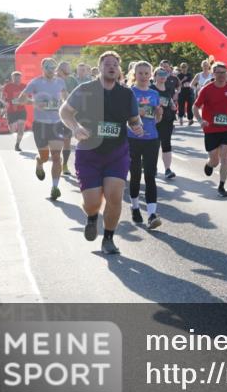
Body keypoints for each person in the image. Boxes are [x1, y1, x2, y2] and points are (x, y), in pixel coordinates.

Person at [60, 51, 143, 255]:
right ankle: (91, 218)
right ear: (100, 67)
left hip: (117, 152)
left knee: (114, 198)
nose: (112, 67)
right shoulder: (85, 89)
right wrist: (75, 127)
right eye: (107, 64)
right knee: (93, 202)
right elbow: (65, 112)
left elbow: (134, 120)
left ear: (119, 69)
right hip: (89, 153)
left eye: (115, 64)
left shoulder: (126, 94)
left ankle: (108, 239)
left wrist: (137, 127)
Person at [18, 58, 69, 200]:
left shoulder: (60, 82)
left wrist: (65, 105)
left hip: (57, 123)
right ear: (42, 68)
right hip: (40, 124)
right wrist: (34, 103)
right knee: (45, 157)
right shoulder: (35, 82)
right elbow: (21, 99)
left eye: (53, 67)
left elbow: (66, 98)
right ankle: (39, 162)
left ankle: (55, 187)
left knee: (57, 156)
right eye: (48, 67)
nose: (51, 69)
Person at [193, 62, 227, 197]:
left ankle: (222, 186)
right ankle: (209, 164)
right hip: (211, 129)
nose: (221, 75)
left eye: (224, 73)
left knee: (225, 157)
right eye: (218, 73)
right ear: (213, 74)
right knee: (215, 160)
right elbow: (195, 107)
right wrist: (201, 121)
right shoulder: (206, 90)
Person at [127, 62, 163, 229]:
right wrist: (136, 112)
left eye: (146, 73)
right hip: (133, 138)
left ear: (150, 75)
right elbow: (122, 115)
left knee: (150, 175)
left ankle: (152, 214)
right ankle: (134, 206)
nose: (143, 76)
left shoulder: (154, 94)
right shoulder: (129, 92)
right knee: (135, 175)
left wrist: (159, 114)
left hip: (151, 138)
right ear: (135, 74)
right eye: (140, 73)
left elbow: (157, 119)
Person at [153, 62, 180, 179]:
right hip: (153, 121)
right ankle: (152, 167)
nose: (163, 76)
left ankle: (167, 169)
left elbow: (169, 99)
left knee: (166, 143)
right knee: (154, 145)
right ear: (155, 76)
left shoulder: (169, 88)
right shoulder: (151, 89)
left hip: (167, 119)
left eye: (164, 74)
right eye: (160, 74)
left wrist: (173, 105)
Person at [57, 62, 79, 176]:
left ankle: (64, 165)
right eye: (65, 67)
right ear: (59, 69)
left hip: (67, 115)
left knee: (66, 141)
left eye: (69, 67)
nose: (68, 69)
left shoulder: (73, 80)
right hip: (53, 115)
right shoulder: (52, 79)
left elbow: (77, 94)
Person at [0, 72, 28, 152]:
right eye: (15, 78)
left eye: (18, 78)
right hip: (11, 110)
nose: (17, 79)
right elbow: (1, 97)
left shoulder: (24, 86)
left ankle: (17, 144)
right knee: (12, 130)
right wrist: (5, 103)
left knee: (21, 128)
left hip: (21, 110)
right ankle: (10, 125)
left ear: (21, 78)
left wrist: (24, 101)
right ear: (12, 78)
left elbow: (28, 98)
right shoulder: (8, 86)